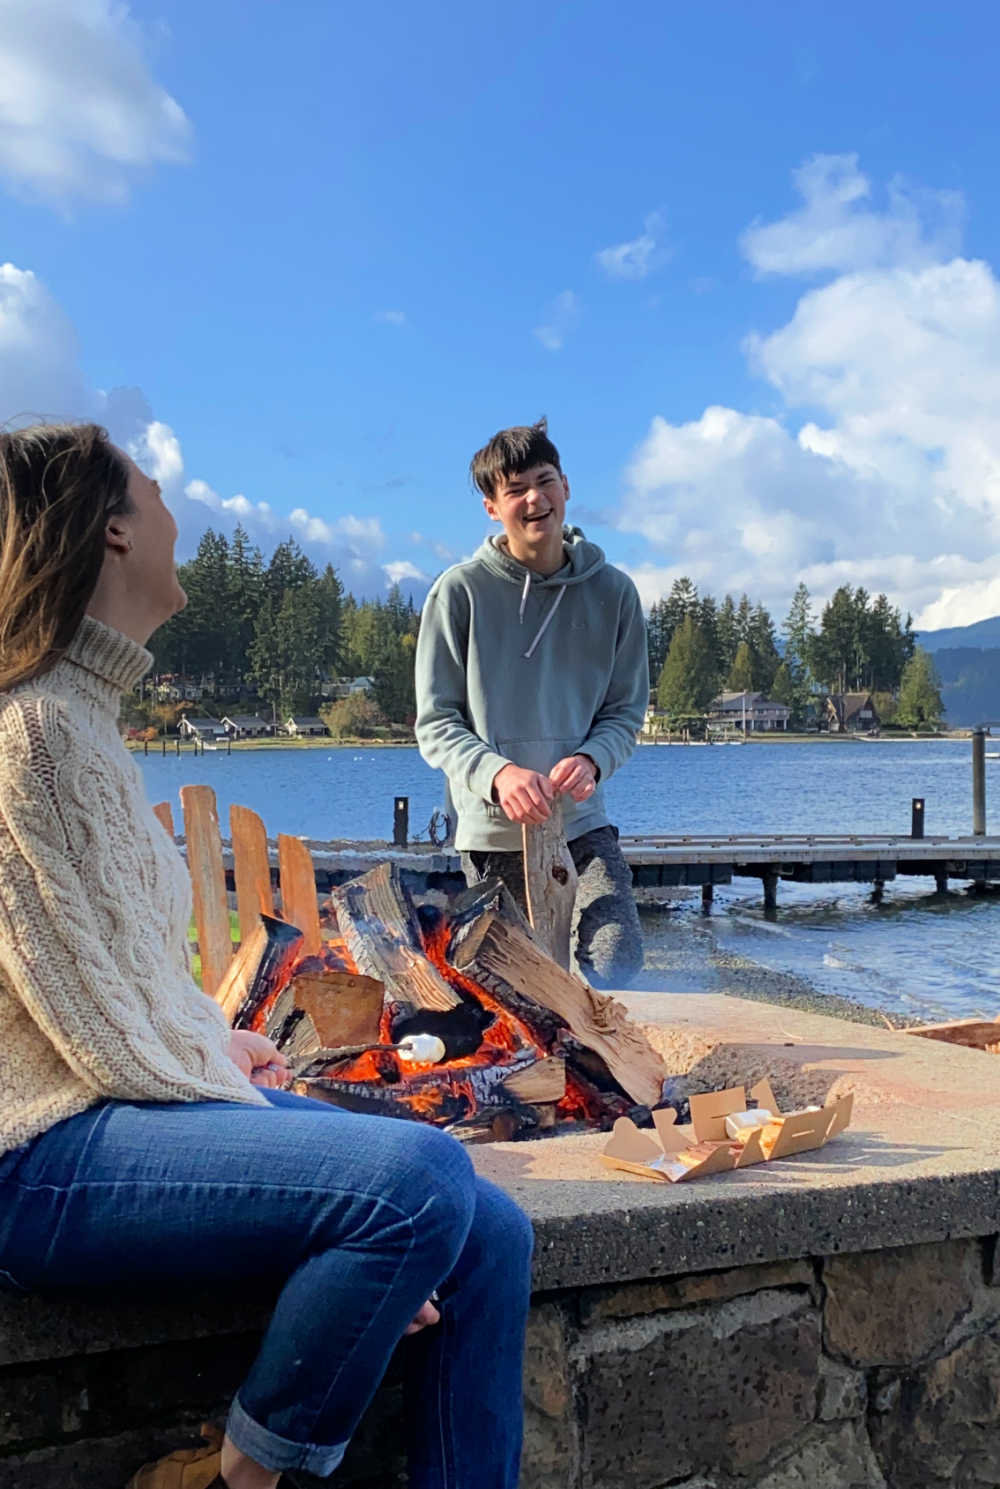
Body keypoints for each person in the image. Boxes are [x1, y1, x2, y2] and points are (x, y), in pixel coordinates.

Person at [0, 423, 532, 1489]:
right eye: (152, 486)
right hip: (41, 1153)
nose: (171, 504)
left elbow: (123, 974)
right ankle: (241, 1476)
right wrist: (358, 1199)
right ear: (110, 530)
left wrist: (217, 1041)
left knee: (492, 1231)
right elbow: (83, 1011)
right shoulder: (33, 735)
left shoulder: (87, 722)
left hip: (117, 1107)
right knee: (417, 1180)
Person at [415, 419, 648, 989]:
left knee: (617, 959)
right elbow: (436, 723)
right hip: (494, 833)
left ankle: (604, 1070)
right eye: (515, 489)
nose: (534, 499)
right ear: (493, 508)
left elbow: (624, 711)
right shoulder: (459, 591)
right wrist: (498, 775)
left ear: (566, 486)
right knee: (517, 991)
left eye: (544, 481)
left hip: (582, 822)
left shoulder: (614, 592)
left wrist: (593, 759)